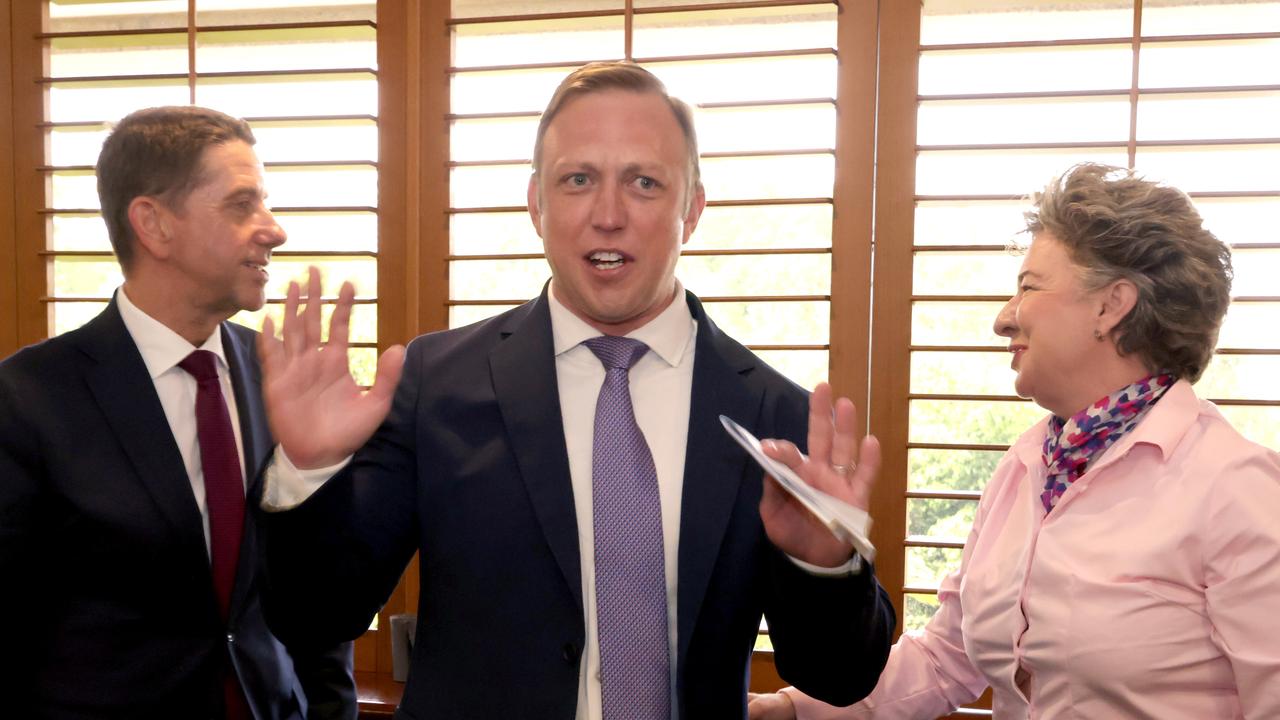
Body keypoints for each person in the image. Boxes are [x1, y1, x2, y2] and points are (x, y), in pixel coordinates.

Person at [255, 61, 895, 718]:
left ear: (692, 210)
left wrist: (826, 564)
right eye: (578, 180)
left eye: (644, 183)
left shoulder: (773, 414)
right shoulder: (438, 382)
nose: (608, 215)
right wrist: (310, 472)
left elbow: (840, 677)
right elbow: (314, 616)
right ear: (537, 202)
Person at [747, 162, 1280, 719]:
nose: (1003, 320)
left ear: (1111, 305)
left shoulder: (1237, 487)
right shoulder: (1027, 467)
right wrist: (789, 709)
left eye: (1028, 287)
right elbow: (945, 658)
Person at [0, 106, 356, 719]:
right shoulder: (27, 398)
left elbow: (317, 593)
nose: (274, 230)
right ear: (154, 225)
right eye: (242, 204)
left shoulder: (283, 378)